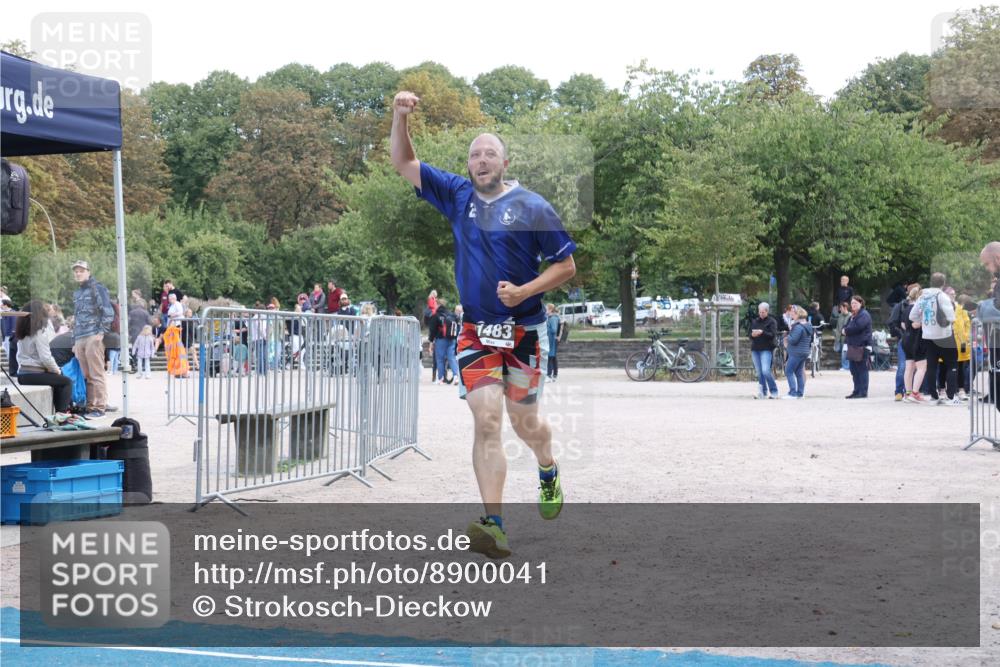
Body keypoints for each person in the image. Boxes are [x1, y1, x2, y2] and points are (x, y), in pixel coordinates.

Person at [391, 90, 576, 558]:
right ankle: (494, 525)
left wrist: (525, 291)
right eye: (474, 154)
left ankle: (547, 465)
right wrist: (400, 117)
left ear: (505, 162)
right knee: (487, 419)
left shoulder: (533, 207)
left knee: (525, 423)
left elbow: (566, 266)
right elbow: (404, 162)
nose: (481, 160)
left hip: (525, 333)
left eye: (490, 153)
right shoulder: (457, 195)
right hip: (476, 332)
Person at [71, 260, 117, 418]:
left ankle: (100, 407)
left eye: (81, 270)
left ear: (88, 272)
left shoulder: (98, 288)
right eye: (76, 271)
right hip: (80, 337)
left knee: (96, 373)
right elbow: (77, 317)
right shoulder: (77, 293)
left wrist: (100, 333)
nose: (78, 273)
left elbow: (108, 311)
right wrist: (74, 340)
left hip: (93, 335)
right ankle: (91, 406)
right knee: (87, 374)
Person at [15, 300, 74, 414]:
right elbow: (46, 358)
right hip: (34, 374)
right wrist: (57, 370)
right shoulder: (39, 332)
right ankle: (61, 415)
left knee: (58, 381)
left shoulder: (22, 333)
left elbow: (19, 356)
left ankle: (60, 414)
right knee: (67, 382)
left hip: (23, 374)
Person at [909, 273, 959, 405]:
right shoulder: (943, 296)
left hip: (928, 336)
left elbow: (912, 316)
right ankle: (950, 397)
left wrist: (924, 321)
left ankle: (933, 396)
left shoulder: (923, 296)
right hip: (945, 336)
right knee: (952, 365)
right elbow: (951, 318)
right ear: (943, 283)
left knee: (931, 367)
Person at [748, 302, 780, 399]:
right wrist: (752, 335)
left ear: (767, 311)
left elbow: (772, 335)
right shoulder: (755, 321)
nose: (761, 314)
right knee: (759, 372)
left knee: (765, 371)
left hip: (766, 348)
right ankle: (762, 392)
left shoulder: (772, 321)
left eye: (763, 312)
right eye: (760, 312)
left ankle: (774, 391)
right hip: (755, 349)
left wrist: (762, 332)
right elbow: (749, 334)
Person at [843, 295, 872, 399]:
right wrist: (845, 329)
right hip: (853, 346)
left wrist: (846, 331)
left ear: (861, 303)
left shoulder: (864, 314)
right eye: (852, 303)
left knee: (862, 369)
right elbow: (845, 326)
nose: (853, 305)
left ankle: (863, 392)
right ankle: (856, 391)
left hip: (862, 346)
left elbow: (858, 327)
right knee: (854, 370)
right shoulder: (853, 315)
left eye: (855, 303)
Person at [429, 297, 459, 385]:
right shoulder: (451, 314)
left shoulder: (436, 315)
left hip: (441, 339)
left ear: (438, 305)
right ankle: (456, 376)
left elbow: (432, 330)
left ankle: (441, 378)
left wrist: (431, 341)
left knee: (440, 359)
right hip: (452, 339)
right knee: (451, 358)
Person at [783, 306, 811, 399]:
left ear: (798, 314)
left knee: (788, 371)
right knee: (799, 373)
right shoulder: (807, 325)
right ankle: (800, 393)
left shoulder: (798, 327)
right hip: (804, 352)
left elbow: (793, 340)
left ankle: (792, 393)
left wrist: (787, 336)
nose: (791, 314)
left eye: (793, 312)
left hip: (796, 352)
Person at [954, 294, 973, 401]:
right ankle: (960, 390)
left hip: (958, 342)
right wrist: (966, 340)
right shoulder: (961, 310)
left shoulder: (959, 310)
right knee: (960, 367)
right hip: (961, 343)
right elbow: (962, 327)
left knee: (957, 367)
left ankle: (957, 389)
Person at [546, 303, 560, 381]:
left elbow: (554, 330)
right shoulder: (552, 318)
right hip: (552, 340)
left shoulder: (553, 318)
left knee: (550, 357)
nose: (545, 311)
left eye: (546, 309)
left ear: (550, 310)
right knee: (553, 357)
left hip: (551, 340)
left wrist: (547, 329)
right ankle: (554, 374)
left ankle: (549, 375)